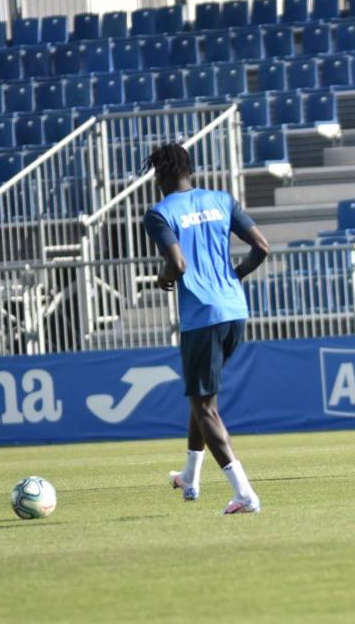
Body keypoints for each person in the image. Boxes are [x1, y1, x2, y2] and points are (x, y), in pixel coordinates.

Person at [141, 143, 270, 514]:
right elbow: (261, 246)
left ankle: (245, 494)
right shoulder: (222, 199)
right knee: (202, 399)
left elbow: (177, 265)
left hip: (202, 317)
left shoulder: (159, 214)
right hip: (235, 310)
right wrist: (235, 276)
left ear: (159, 176)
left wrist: (161, 276)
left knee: (204, 405)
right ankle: (190, 476)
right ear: (190, 170)